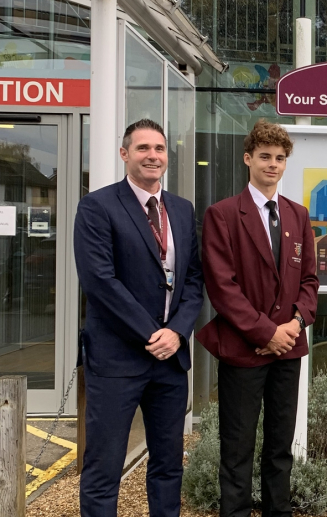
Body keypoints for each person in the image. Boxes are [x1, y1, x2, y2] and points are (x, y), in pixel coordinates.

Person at [74, 119, 204, 516]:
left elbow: (194, 280)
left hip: (170, 363)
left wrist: (178, 333)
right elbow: (100, 281)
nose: (153, 156)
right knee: (103, 469)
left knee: (168, 466)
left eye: (160, 149)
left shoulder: (181, 210)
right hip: (117, 361)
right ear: (124, 154)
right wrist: (155, 333)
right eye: (143, 148)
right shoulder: (97, 206)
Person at [197, 119, 318, 517]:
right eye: (264, 156)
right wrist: (266, 332)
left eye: (280, 158)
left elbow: (310, 281)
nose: (272, 164)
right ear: (248, 159)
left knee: (280, 447)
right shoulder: (223, 214)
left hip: (288, 350)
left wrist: (295, 326)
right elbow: (222, 287)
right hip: (244, 350)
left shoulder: (298, 216)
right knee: (237, 447)